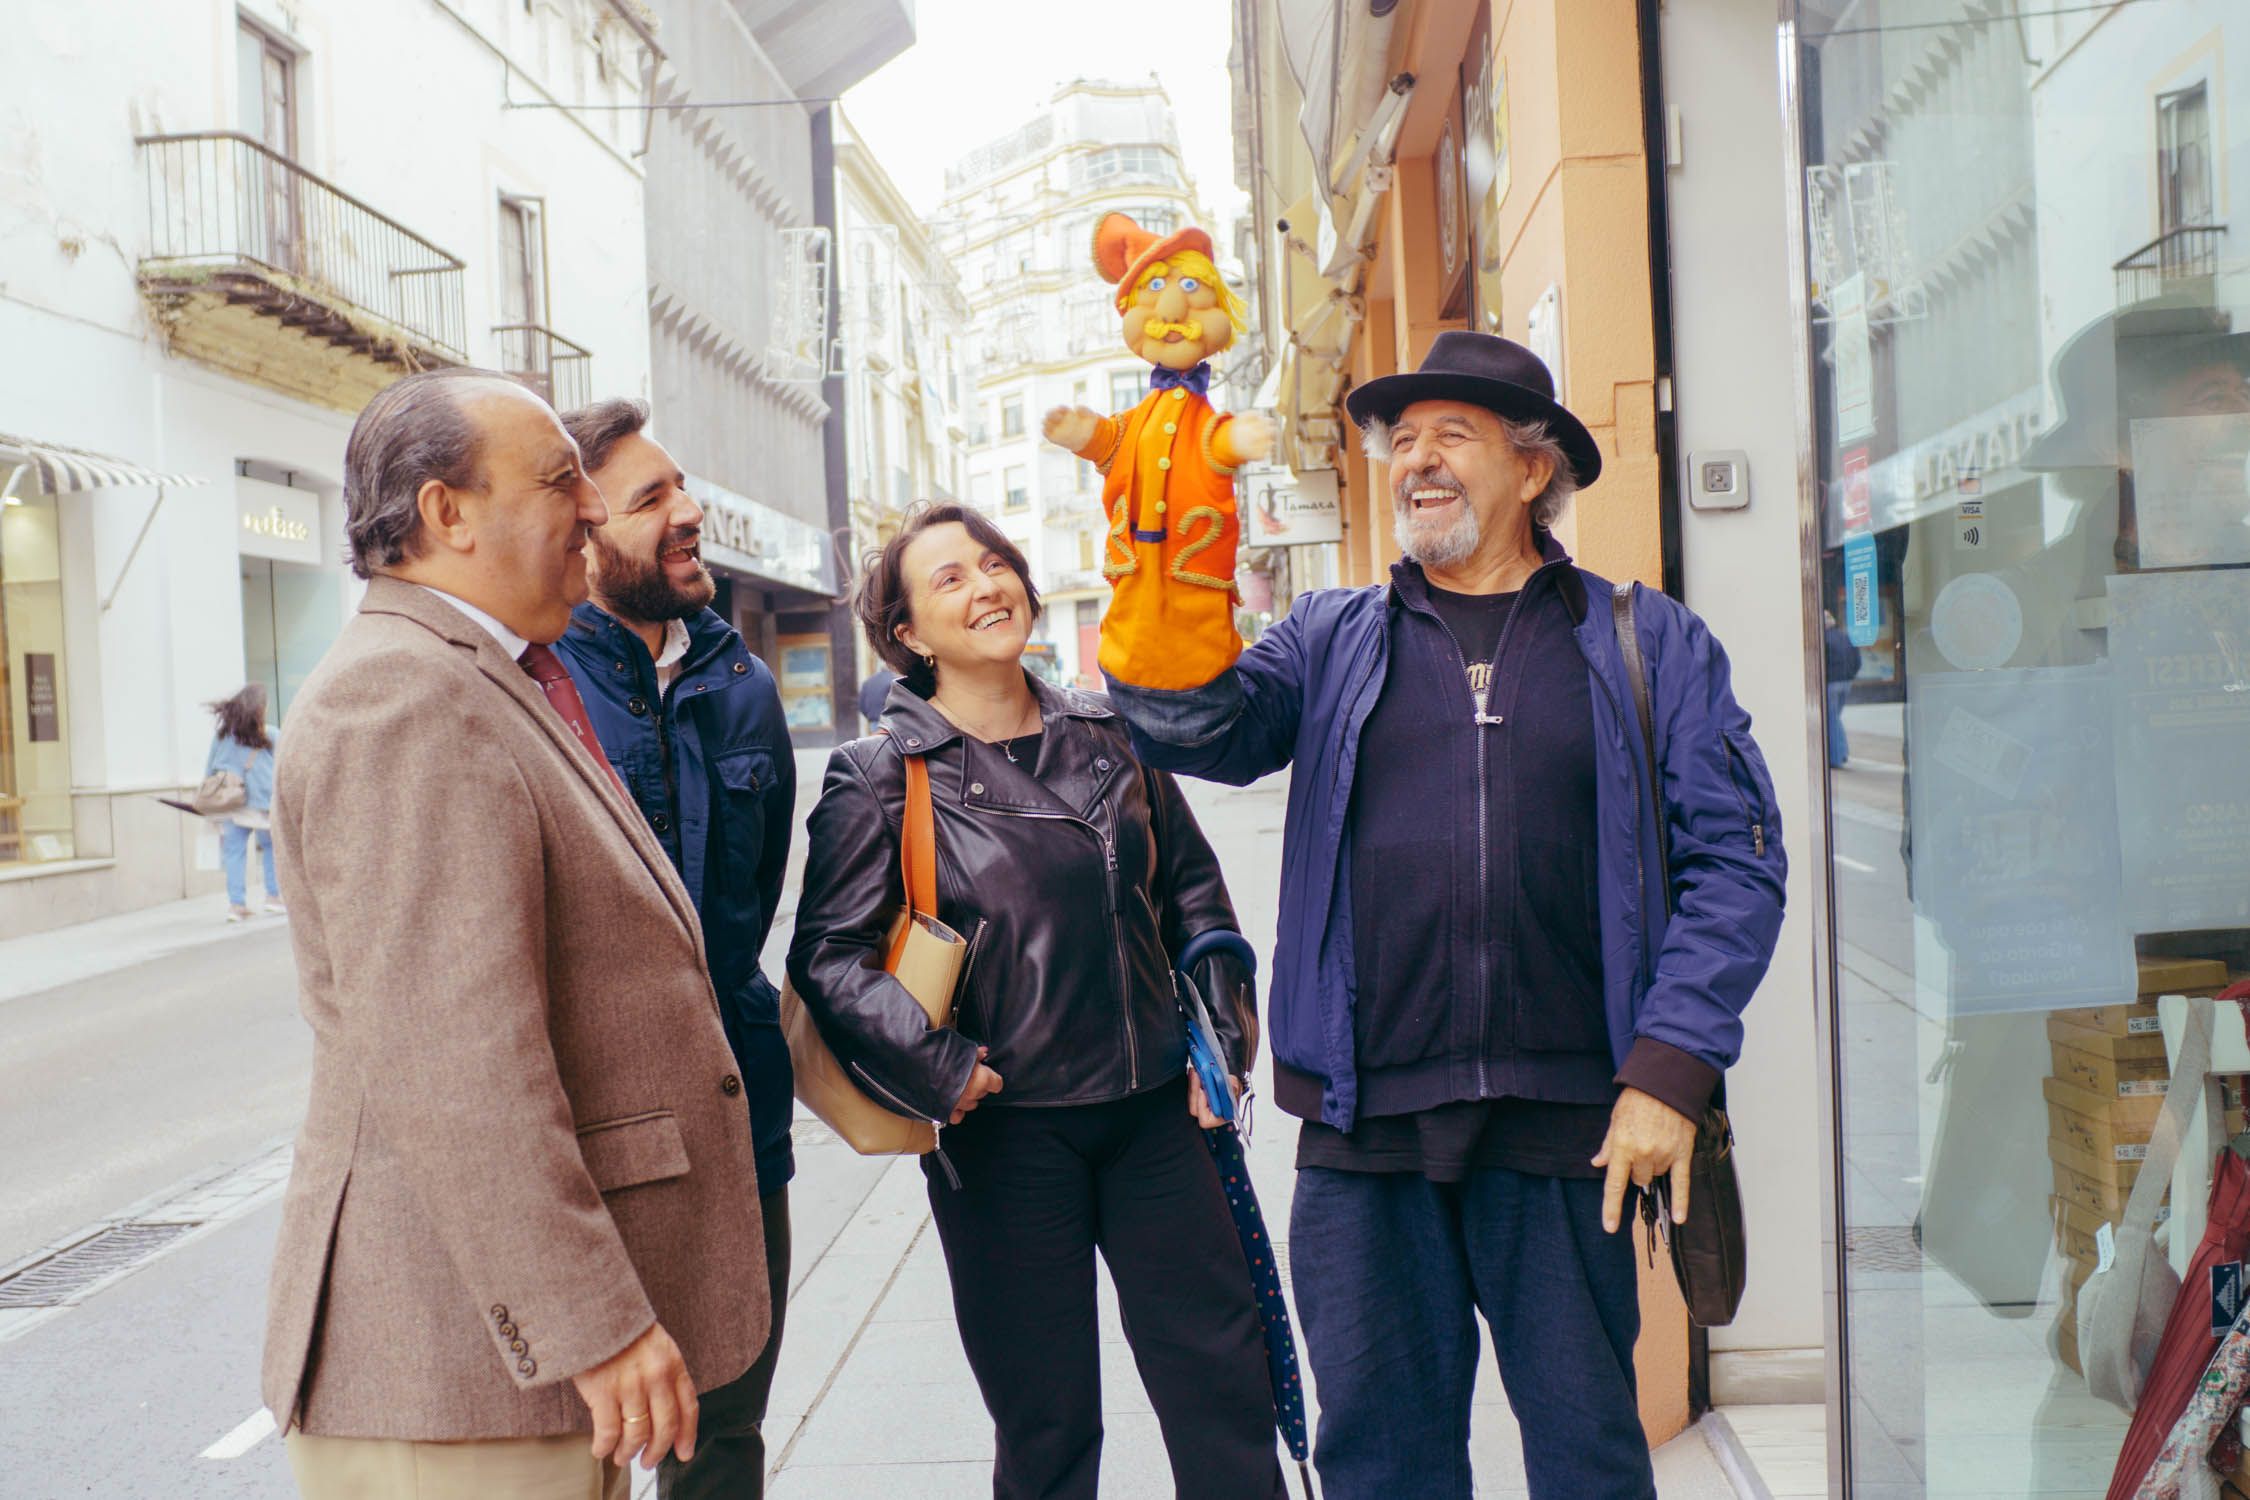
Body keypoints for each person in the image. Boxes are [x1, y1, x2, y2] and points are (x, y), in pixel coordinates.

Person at [1098, 332, 1789, 1500]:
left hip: (1572, 1128)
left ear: (1534, 469)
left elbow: (1738, 861)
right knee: (1382, 1464)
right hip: (1367, 1139)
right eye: (1401, 440)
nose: (1416, 460)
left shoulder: (1644, 640)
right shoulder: (1328, 638)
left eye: (1451, 435)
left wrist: (1670, 1072)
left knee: (1589, 1459)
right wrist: (1162, 585)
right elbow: (1198, 730)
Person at [263, 368, 769, 1500]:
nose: (592, 510)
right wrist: (591, 1321)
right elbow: (455, 1063)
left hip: (495, 1375)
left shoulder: (480, 677)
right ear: (448, 514)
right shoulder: (404, 698)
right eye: (558, 485)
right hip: (449, 1378)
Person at [788, 501, 1288, 1500]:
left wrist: (1220, 1043)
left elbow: (1194, 896)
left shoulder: (1114, 732)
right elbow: (829, 959)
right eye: (951, 580)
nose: (988, 587)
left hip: (1156, 1120)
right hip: (1008, 1139)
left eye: (996, 564)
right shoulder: (881, 776)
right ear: (906, 635)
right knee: (1049, 1425)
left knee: (1225, 1398)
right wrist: (940, 1070)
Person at [554, 398, 796, 1500]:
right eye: (653, 499)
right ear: (584, 524)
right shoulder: (535, 683)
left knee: (725, 1439)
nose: (689, 513)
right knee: (581, 1454)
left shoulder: (743, 686)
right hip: (591, 1139)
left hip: (742, 1120)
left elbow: (755, 902)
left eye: (682, 486)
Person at [203, 683, 283, 921]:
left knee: (234, 853)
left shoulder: (223, 736)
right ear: (260, 709)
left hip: (231, 802)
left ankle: (236, 906)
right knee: (271, 848)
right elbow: (281, 768)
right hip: (262, 803)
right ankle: (273, 897)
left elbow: (210, 768)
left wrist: (209, 798)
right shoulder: (270, 734)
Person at [1822, 609, 1860, 769]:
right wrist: (1850, 676)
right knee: (1835, 718)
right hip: (1846, 682)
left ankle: (1837, 757)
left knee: (1832, 719)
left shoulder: (1823, 639)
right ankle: (1842, 753)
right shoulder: (1845, 636)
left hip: (1832, 683)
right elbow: (1857, 660)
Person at [857, 665, 896, 732]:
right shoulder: (894, 680)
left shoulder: (868, 681)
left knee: (877, 741)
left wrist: (870, 716)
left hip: (874, 721)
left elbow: (861, 705)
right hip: (889, 720)